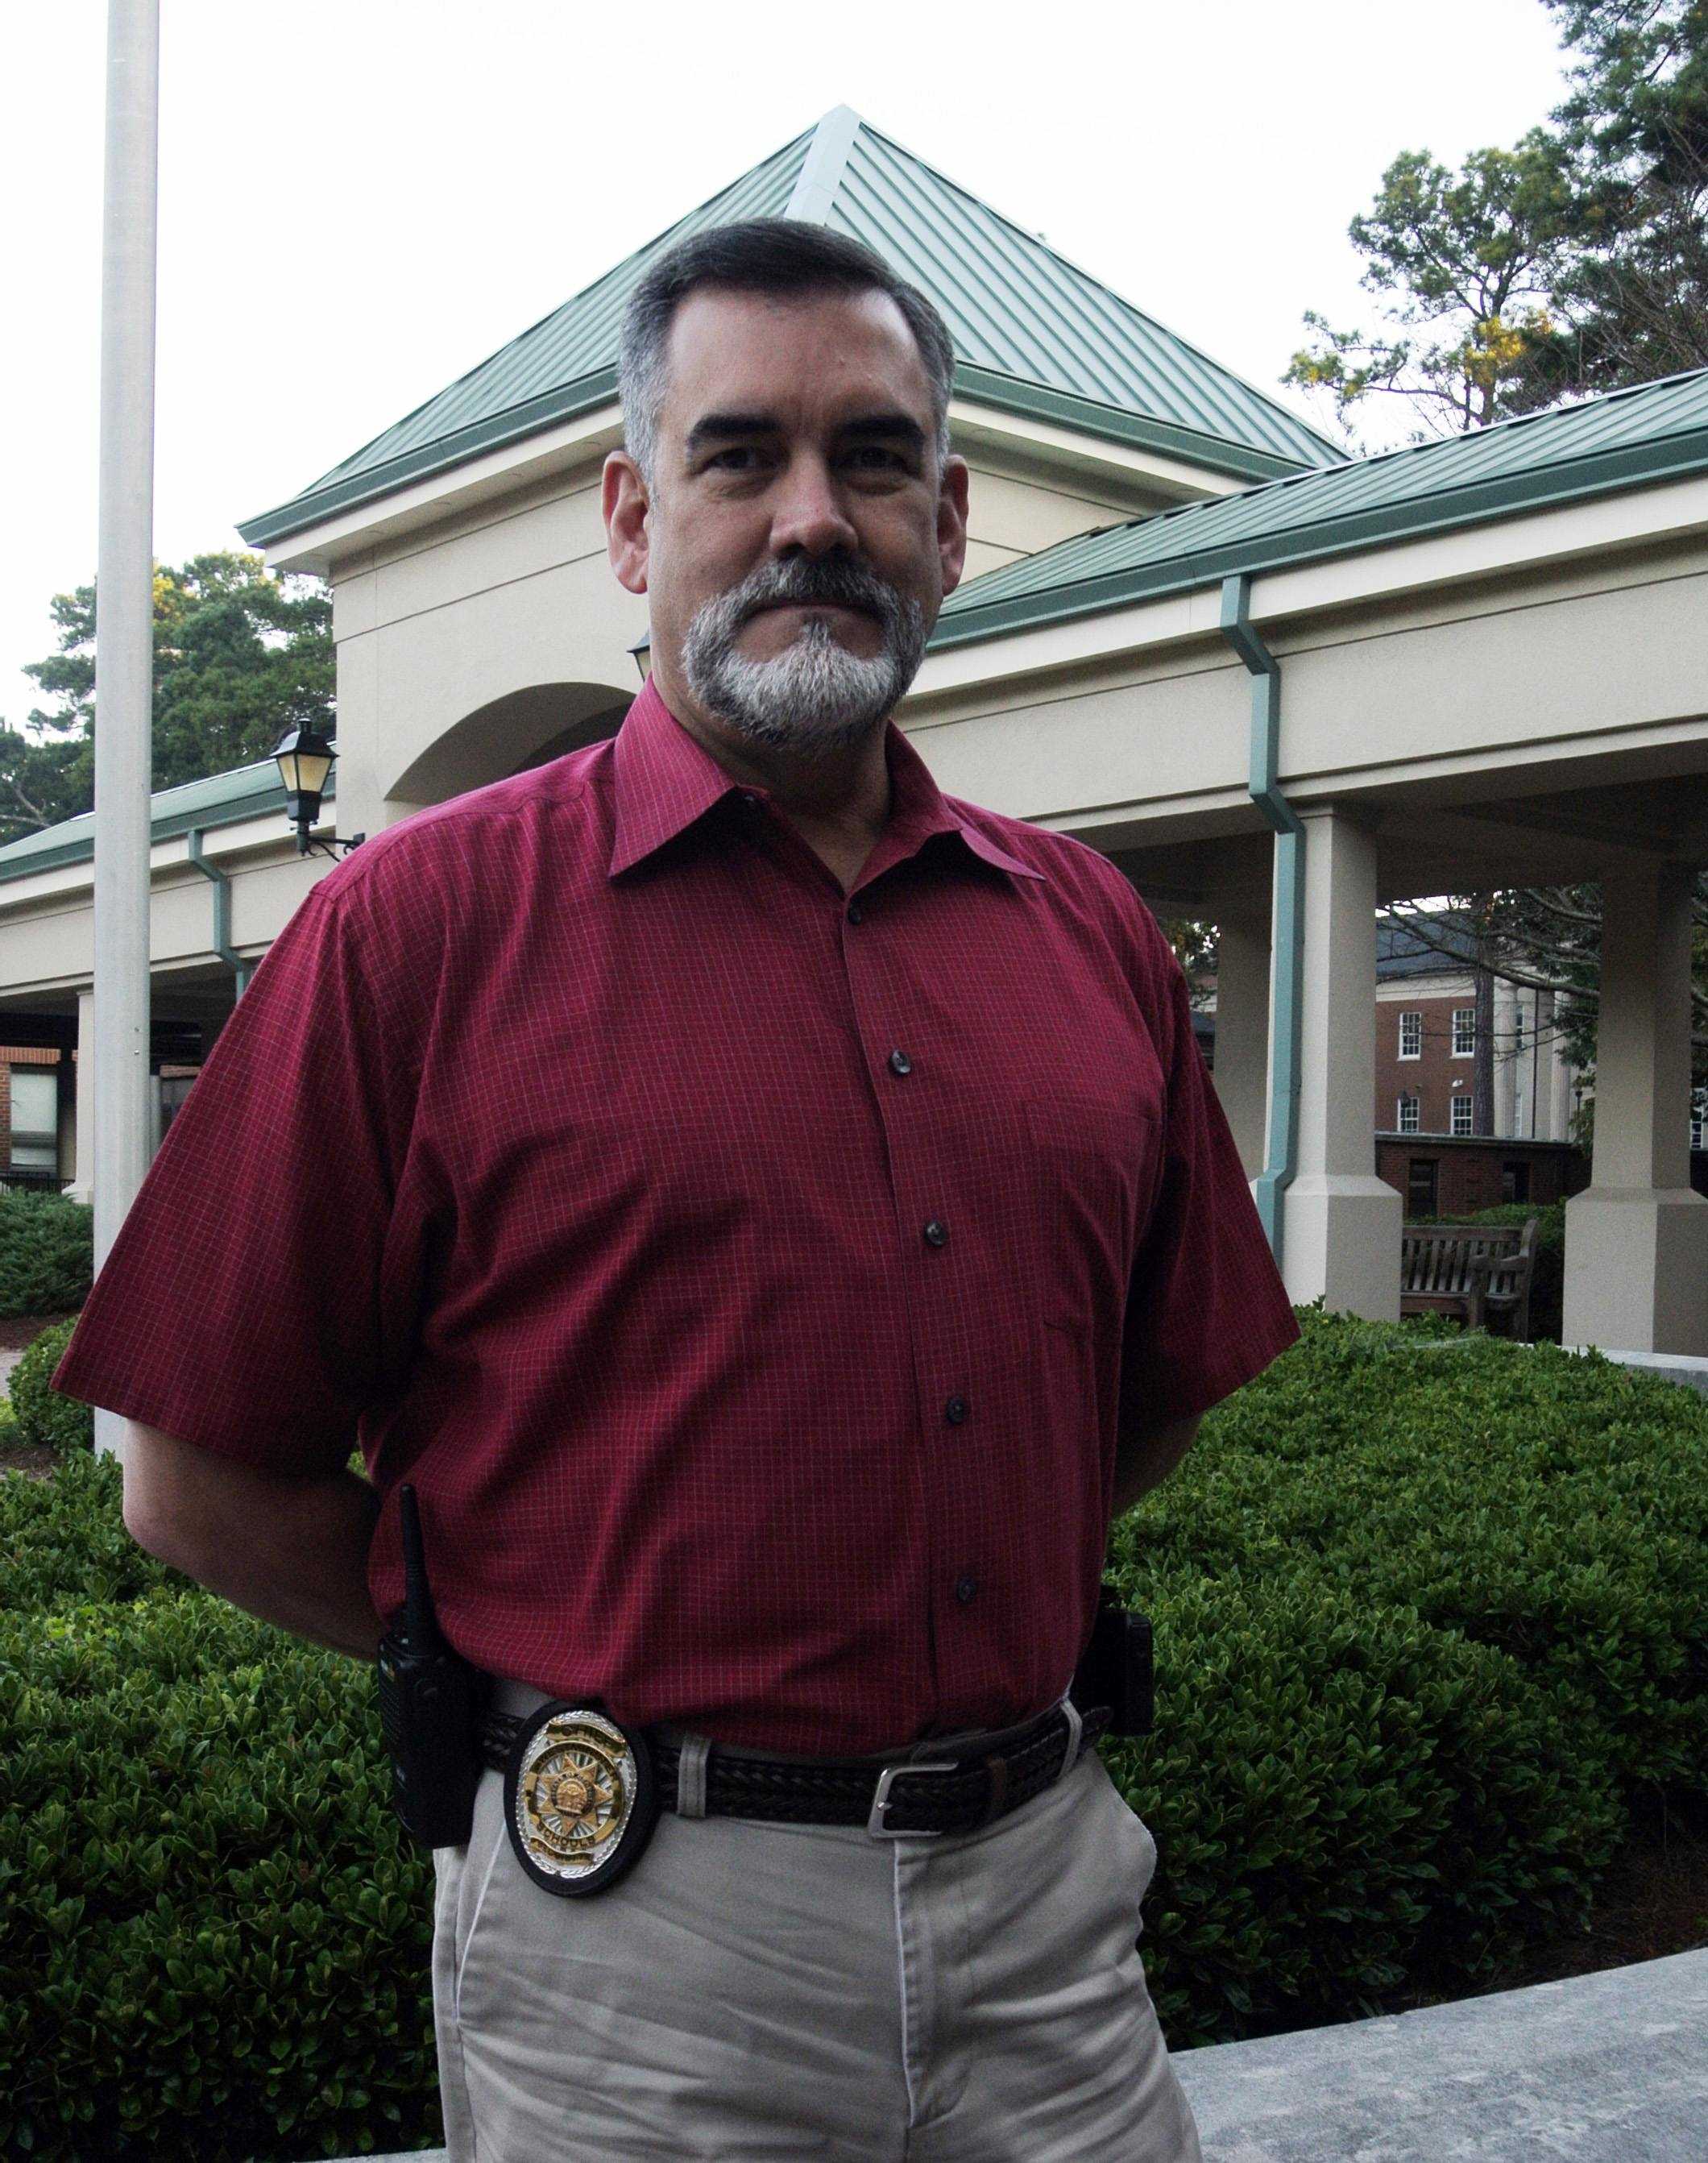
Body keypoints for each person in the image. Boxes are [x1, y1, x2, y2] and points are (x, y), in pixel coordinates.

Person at [52, 218, 1300, 2160]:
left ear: (949, 521)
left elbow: (1148, 1384)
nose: (814, 514)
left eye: (874, 458)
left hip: (1054, 1931)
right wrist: (537, 1654)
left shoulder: (1095, 940)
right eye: (741, 457)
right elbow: (193, 1479)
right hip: (638, 1963)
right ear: (635, 521)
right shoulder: (417, 931)